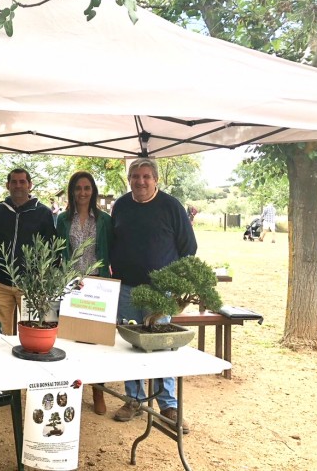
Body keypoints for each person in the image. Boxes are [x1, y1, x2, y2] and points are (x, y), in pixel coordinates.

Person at [110, 157, 197, 433]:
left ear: (155, 179)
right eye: (135, 176)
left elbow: (188, 248)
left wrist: (174, 285)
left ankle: (167, 404)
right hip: (126, 289)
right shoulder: (121, 206)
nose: (140, 181)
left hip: (161, 291)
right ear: (129, 180)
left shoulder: (171, 206)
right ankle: (133, 400)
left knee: (162, 345)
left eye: (146, 176)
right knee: (129, 344)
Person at [55, 171, 114, 415]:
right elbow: (57, 253)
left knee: (96, 342)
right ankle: (70, 390)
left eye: (87, 188)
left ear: (93, 191)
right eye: (78, 188)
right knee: (69, 340)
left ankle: (98, 391)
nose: (82, 193)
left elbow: (110, 251)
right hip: (71, 285)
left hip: (98, 285)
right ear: (71, 191)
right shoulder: (62, 219)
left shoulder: (104, 220)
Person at [0, 168, 56, 336]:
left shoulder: (43, 213)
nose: (18, 185)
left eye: (22, 182)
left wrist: (45, 279)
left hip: (31, 285)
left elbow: (51, 247)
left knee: (35, 333)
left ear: (30, 185)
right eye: (14, 182)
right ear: (8, 185)